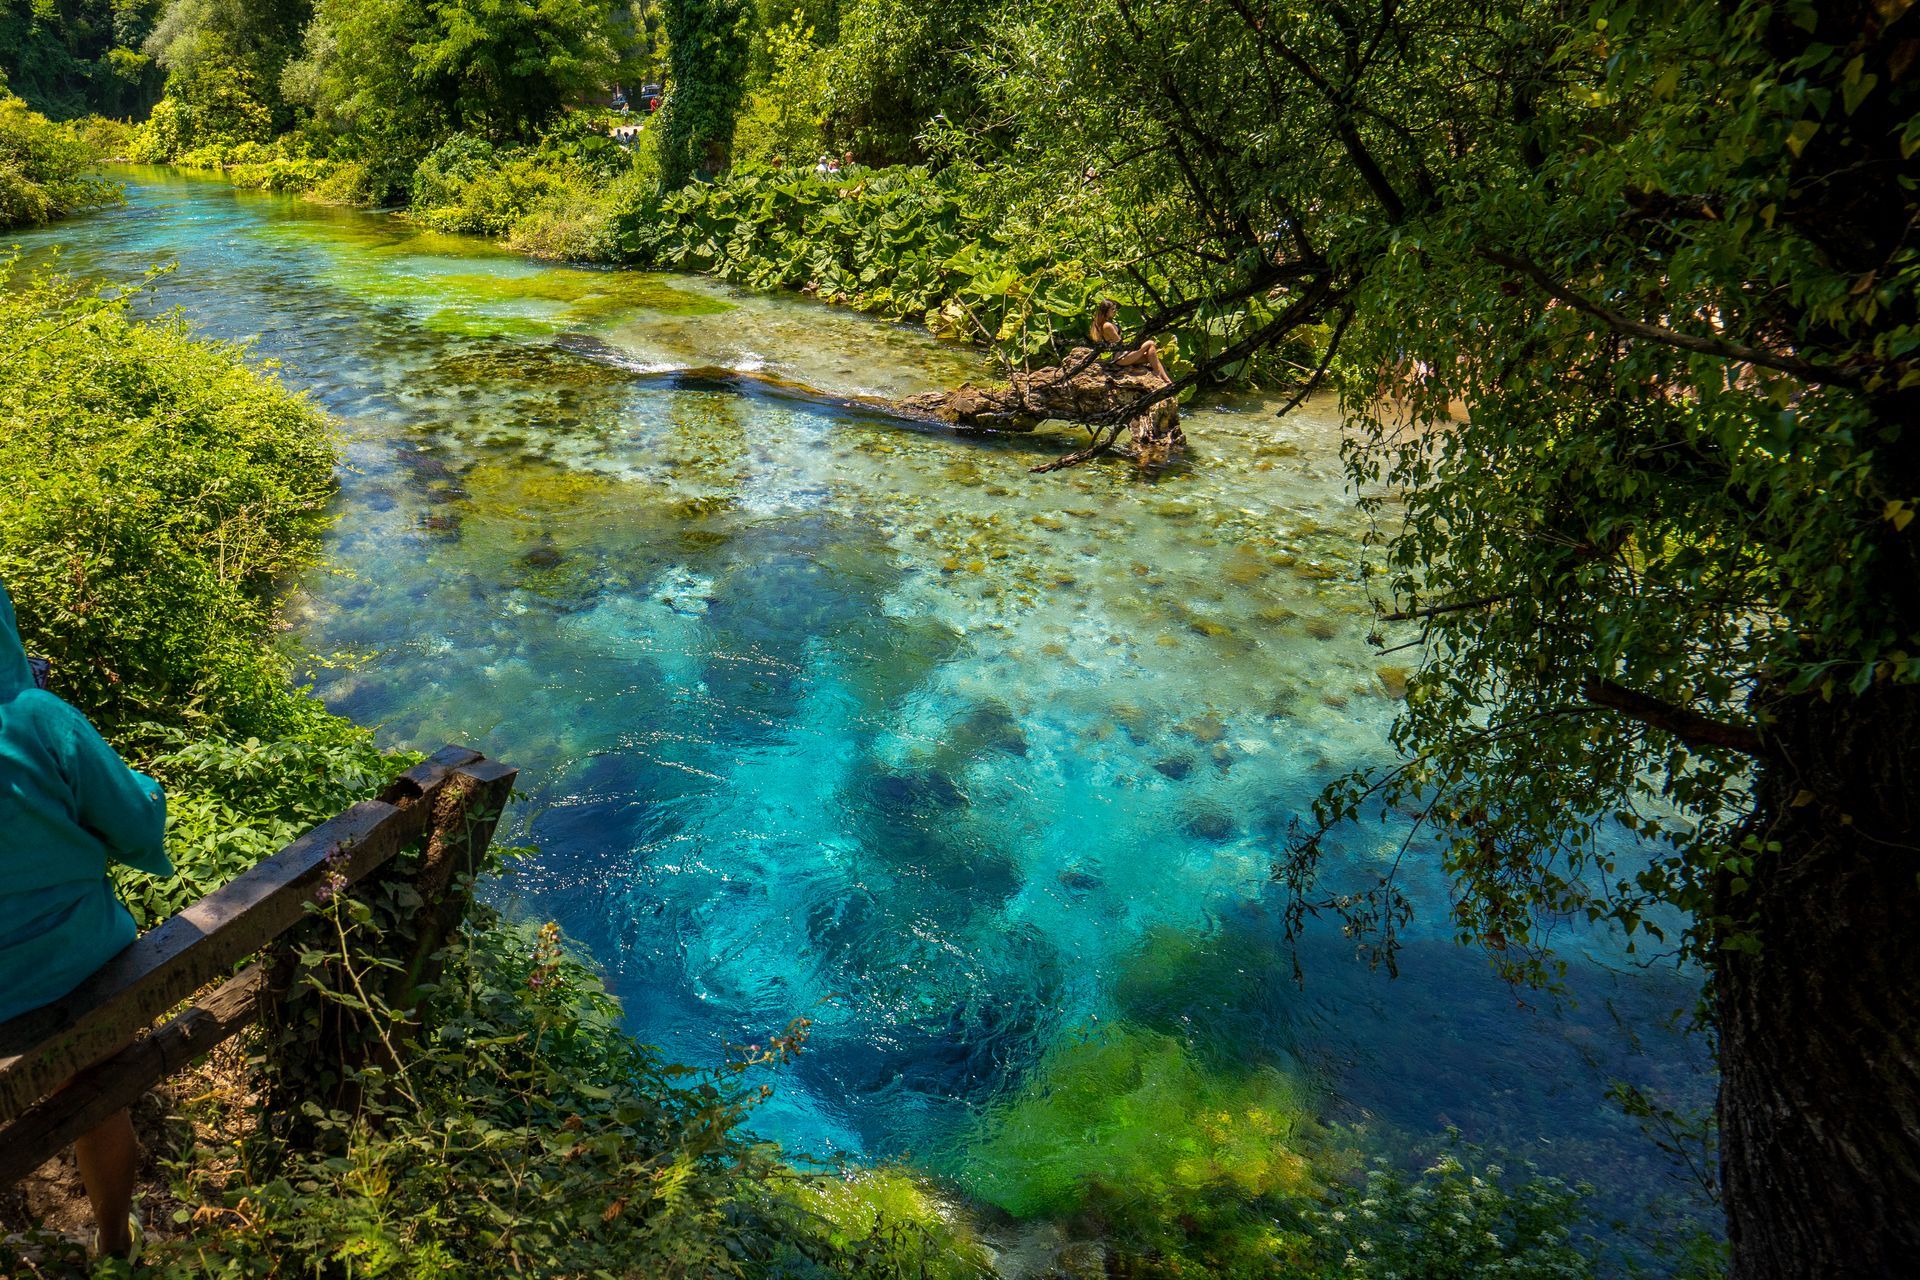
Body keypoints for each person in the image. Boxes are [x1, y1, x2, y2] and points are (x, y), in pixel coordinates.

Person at [0, 579, 169, 1260]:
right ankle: (114, 1243)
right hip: (78, 979)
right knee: (100, 1101)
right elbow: (136, 826)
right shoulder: (38, 719)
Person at [1089, 298, 1171, 385]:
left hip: (1123, 355)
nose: (1115, 311)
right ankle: (1160, 375)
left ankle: (1166, 380)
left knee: (1151, 356)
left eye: (1115, 309)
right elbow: (1119, 342)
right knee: (1150, 343)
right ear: (1106, 311)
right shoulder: (1107, 325)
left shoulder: (1107, 323)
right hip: (1120, 356)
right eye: (1112, 309)